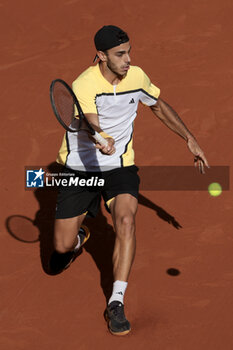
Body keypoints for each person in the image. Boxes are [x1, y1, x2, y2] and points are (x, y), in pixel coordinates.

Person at [50, 25, 209, 336]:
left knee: (126, 220)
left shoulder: (136, 76)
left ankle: (117, 301)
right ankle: (79, 237)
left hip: (120, 166)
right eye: (120, 54)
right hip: (80, 168)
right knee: (61, 246)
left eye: (129, 52)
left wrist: (189, 138)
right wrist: (101, 137)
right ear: (101, 56)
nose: (128, 59)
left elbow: (158, 106)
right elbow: (92, 122)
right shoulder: (83, 84)